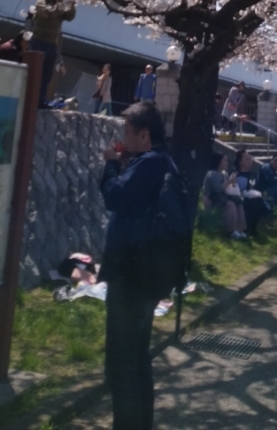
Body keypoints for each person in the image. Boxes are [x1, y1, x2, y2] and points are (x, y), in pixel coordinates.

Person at [99, 101, 174, 430]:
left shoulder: (148, 165)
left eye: (127, 133)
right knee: (138, 358)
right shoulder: (163, 161)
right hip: (148, 275)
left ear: (144, 135)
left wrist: (111, 166)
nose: (123, 138)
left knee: (122, 363)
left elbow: (114, 196)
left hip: (130, 275)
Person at [28, 0, 76, 107]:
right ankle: (32, 99)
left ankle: (41, 99)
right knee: (37, 73)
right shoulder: (41, 2)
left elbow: (69, 16)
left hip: (52, 44)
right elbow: (47, 13)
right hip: (39, 42)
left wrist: (71, 4)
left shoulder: (57, 5)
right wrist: (61, 6)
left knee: (47, 75)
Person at [202, 153, 247, 239]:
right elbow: (218, 189)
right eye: (225, 160)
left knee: (239, 202)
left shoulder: (224, 173)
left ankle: (240, 230)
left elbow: (227, 189)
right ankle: (231, 231)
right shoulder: (212, 174)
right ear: (219, 162)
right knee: (230, 204)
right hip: (212, 200)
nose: (227, 162)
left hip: (222, 198)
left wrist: (233, 184)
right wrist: (230, 181)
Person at [234, 149, 269, 237]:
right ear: (240, 162)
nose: (250, 161)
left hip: (250, 198)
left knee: (258, 202)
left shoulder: (252, 174)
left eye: (250, 159)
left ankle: (252, 229)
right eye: (246, 159)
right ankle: (247, 229)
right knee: (255, 203)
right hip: (239, 198)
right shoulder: (236, 174)